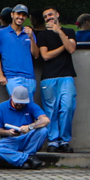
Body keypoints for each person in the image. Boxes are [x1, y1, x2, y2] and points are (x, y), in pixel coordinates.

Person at [33, 9, 78, 152]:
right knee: (51, 111)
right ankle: (53, 141)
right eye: (45, 16)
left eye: (50, 15)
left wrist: (59, 32)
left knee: (67, 108)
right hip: (49, 78)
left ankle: (64, 141)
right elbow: (45, 56)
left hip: (66, 76)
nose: (48, 18)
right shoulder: (42, 35)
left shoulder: (69, 32)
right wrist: (62, 47)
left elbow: (71, 49)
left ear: (57, 14)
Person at [0, 81, 51, 168]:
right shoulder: (2, 107)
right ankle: (27, 159)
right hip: (10, 140)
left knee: (43, 131)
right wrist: (9, 132)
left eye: (22, 103)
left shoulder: (31, 106)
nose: (19, 105)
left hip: (27, 137)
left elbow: (45, 120)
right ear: (12, 97)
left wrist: (29, 127)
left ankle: (25, 157)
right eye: (17, 102)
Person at [0, 5, 39, 117]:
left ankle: (28, 133)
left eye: (23, 15)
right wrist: (0, 75)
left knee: (29, 109)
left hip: (29, 77)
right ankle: (17, 133)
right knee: (18, 105)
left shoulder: (29, 33)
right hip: (12, 76)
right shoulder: (1, 33)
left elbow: (36, 55)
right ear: (12, 14)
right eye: (18, 14)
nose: (20, 17)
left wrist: (31, 37)